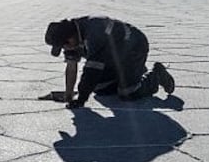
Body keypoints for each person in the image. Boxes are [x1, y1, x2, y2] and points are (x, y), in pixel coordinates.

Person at [45, 15, 175, 108]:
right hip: (111, 57)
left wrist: (81, 100)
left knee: (128, 93)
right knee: (100, 88)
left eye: (64, 46)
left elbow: (91, 72)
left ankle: (155, 75)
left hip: (133, 48)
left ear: (70, 39)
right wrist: (68, 96)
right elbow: (71, 66)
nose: (65, 49)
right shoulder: (71, 39)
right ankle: (131, 76)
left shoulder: (94, 32)